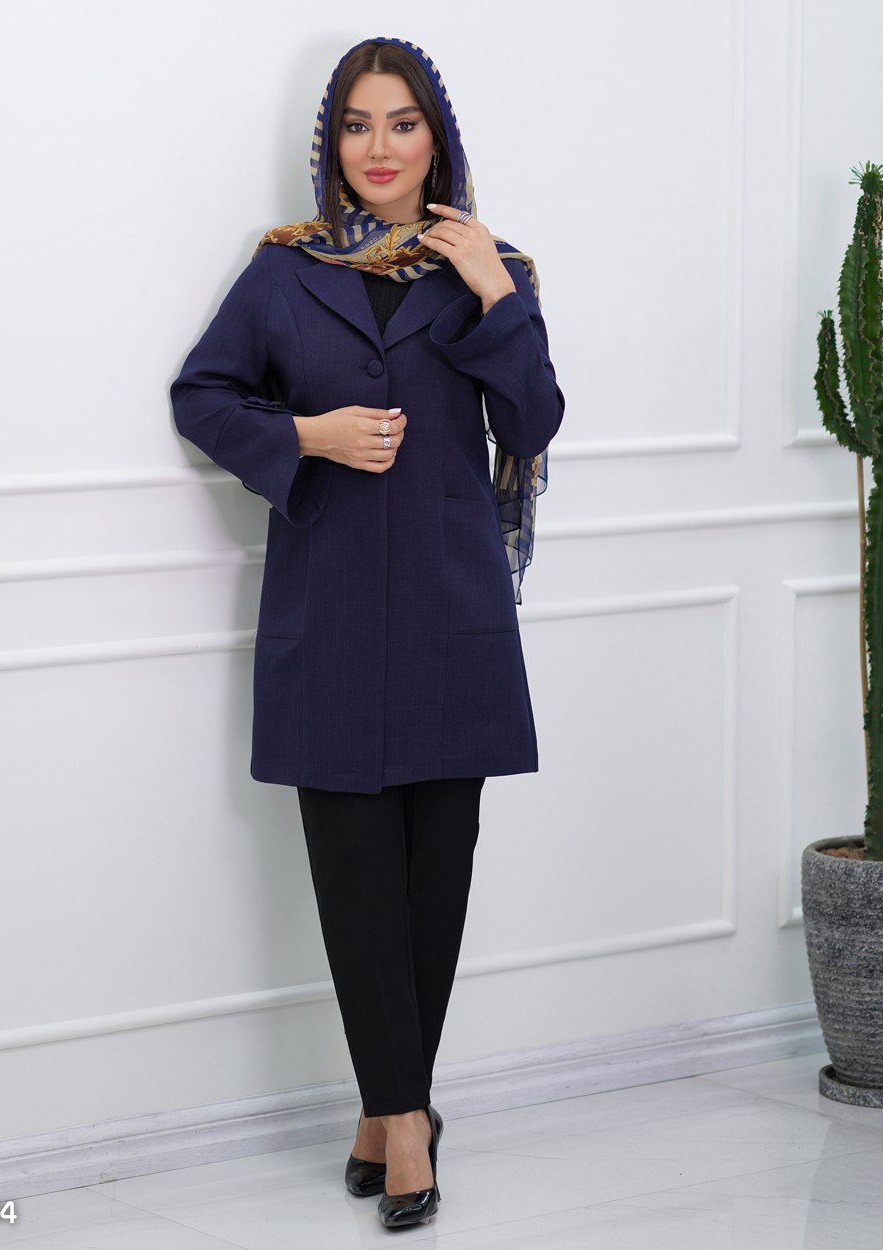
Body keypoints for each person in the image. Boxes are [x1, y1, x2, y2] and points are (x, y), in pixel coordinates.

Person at [170, 35, 565, 1231]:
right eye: (356, 124)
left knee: (434, 884)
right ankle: (405, 1118)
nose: (378, 147)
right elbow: (202, 394)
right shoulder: (284, 271)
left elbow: (531, 420)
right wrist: (308, 436)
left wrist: (495, 294)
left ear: (436, 138)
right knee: (355, 883)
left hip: (453, 614)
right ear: (329, 143)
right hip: (331, 612)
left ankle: (390, 1112)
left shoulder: (491, 268)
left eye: (401, 123)